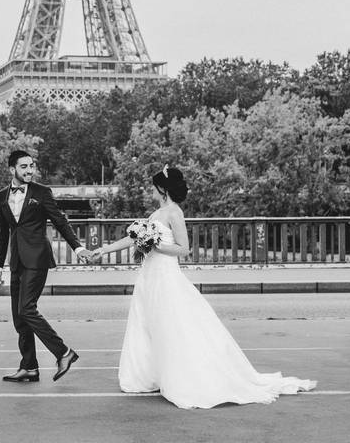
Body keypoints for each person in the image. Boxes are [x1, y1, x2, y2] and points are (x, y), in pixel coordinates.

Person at [86, 166, 316, 409]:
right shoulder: (157, 213)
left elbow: (184, 249)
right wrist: (104, 250)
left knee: (171, 324)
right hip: (149, 276)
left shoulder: (174, 213)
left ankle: (182, 376)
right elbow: (134, 238)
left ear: (162, 189)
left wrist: (155, 245)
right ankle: (149, 374)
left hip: (165, 274)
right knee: (147, 322)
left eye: (153, 187)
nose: (150, 190)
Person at [0, 149, 89, 383]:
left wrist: (78, 248)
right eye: (24, 166)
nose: (29, 170)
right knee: (19, 317)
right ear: (12, 169)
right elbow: (2, 232)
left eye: (32, 166)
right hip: (16, 260)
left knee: (27, 308)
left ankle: (63, 353)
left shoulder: (42, 192)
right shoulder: (2, 195)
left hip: (37, 258)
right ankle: (29, 367)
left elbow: (60, 221)